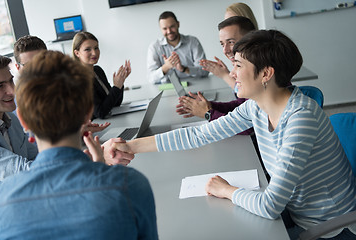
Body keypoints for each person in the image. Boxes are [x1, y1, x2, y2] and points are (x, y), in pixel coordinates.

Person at [111, 30, 356, 239]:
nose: (233, 73)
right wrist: (131, 147)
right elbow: (198, 136)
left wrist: (225, 190)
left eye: (238, 65)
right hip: (295, 209)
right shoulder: (257, 106)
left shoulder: (300, 119)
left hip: (328, 228)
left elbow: (269, 206)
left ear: (266, 74)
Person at [0, 50, 158, 239]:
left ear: (22, 120)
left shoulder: (2, 204)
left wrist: (88, 159)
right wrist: (94, 163)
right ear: (88, 111)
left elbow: (42, 160)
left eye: (10, 82)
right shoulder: (130, 185)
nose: (11, 90)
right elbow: (32, 166)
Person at [14, 35, 110, 133]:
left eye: (41, 62)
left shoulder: (60, 90)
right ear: (18, 68)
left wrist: (80, 131)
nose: (37, 70)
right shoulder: (17, 104)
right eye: (29, 65)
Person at [176, 16, 255, 125]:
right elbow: (242, 107)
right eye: (222, 44)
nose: (225, 50)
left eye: (231, 42)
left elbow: (247, 125)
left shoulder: (255, 71)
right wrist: (209, 106)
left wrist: (208, 113)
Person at [0, 54, 37, 183]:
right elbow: (23, 172)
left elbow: (36, 156)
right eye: (0, 86)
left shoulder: (11, 119)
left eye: (10, 81)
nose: (12, 91)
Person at [72, 31, 131, 119]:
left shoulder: (97, 70)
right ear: (77, 53)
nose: (94, 53)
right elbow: (100, 112)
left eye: (96, 48)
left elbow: (114, 104)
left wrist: (119, 84)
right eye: (88, 49)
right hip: (94, 128)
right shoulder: (79, 79)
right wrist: (116, 88)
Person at [147, 11, 209, 84]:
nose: (169, 31)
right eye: (164, 29)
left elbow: (205, 71)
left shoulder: (193, 42)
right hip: (168, 90)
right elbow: (151, 78)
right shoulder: (154, 47)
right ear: (160, 29)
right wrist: (166, 67)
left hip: (195, 86)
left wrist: (184, 69)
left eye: (172, 27)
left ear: (178, 24)